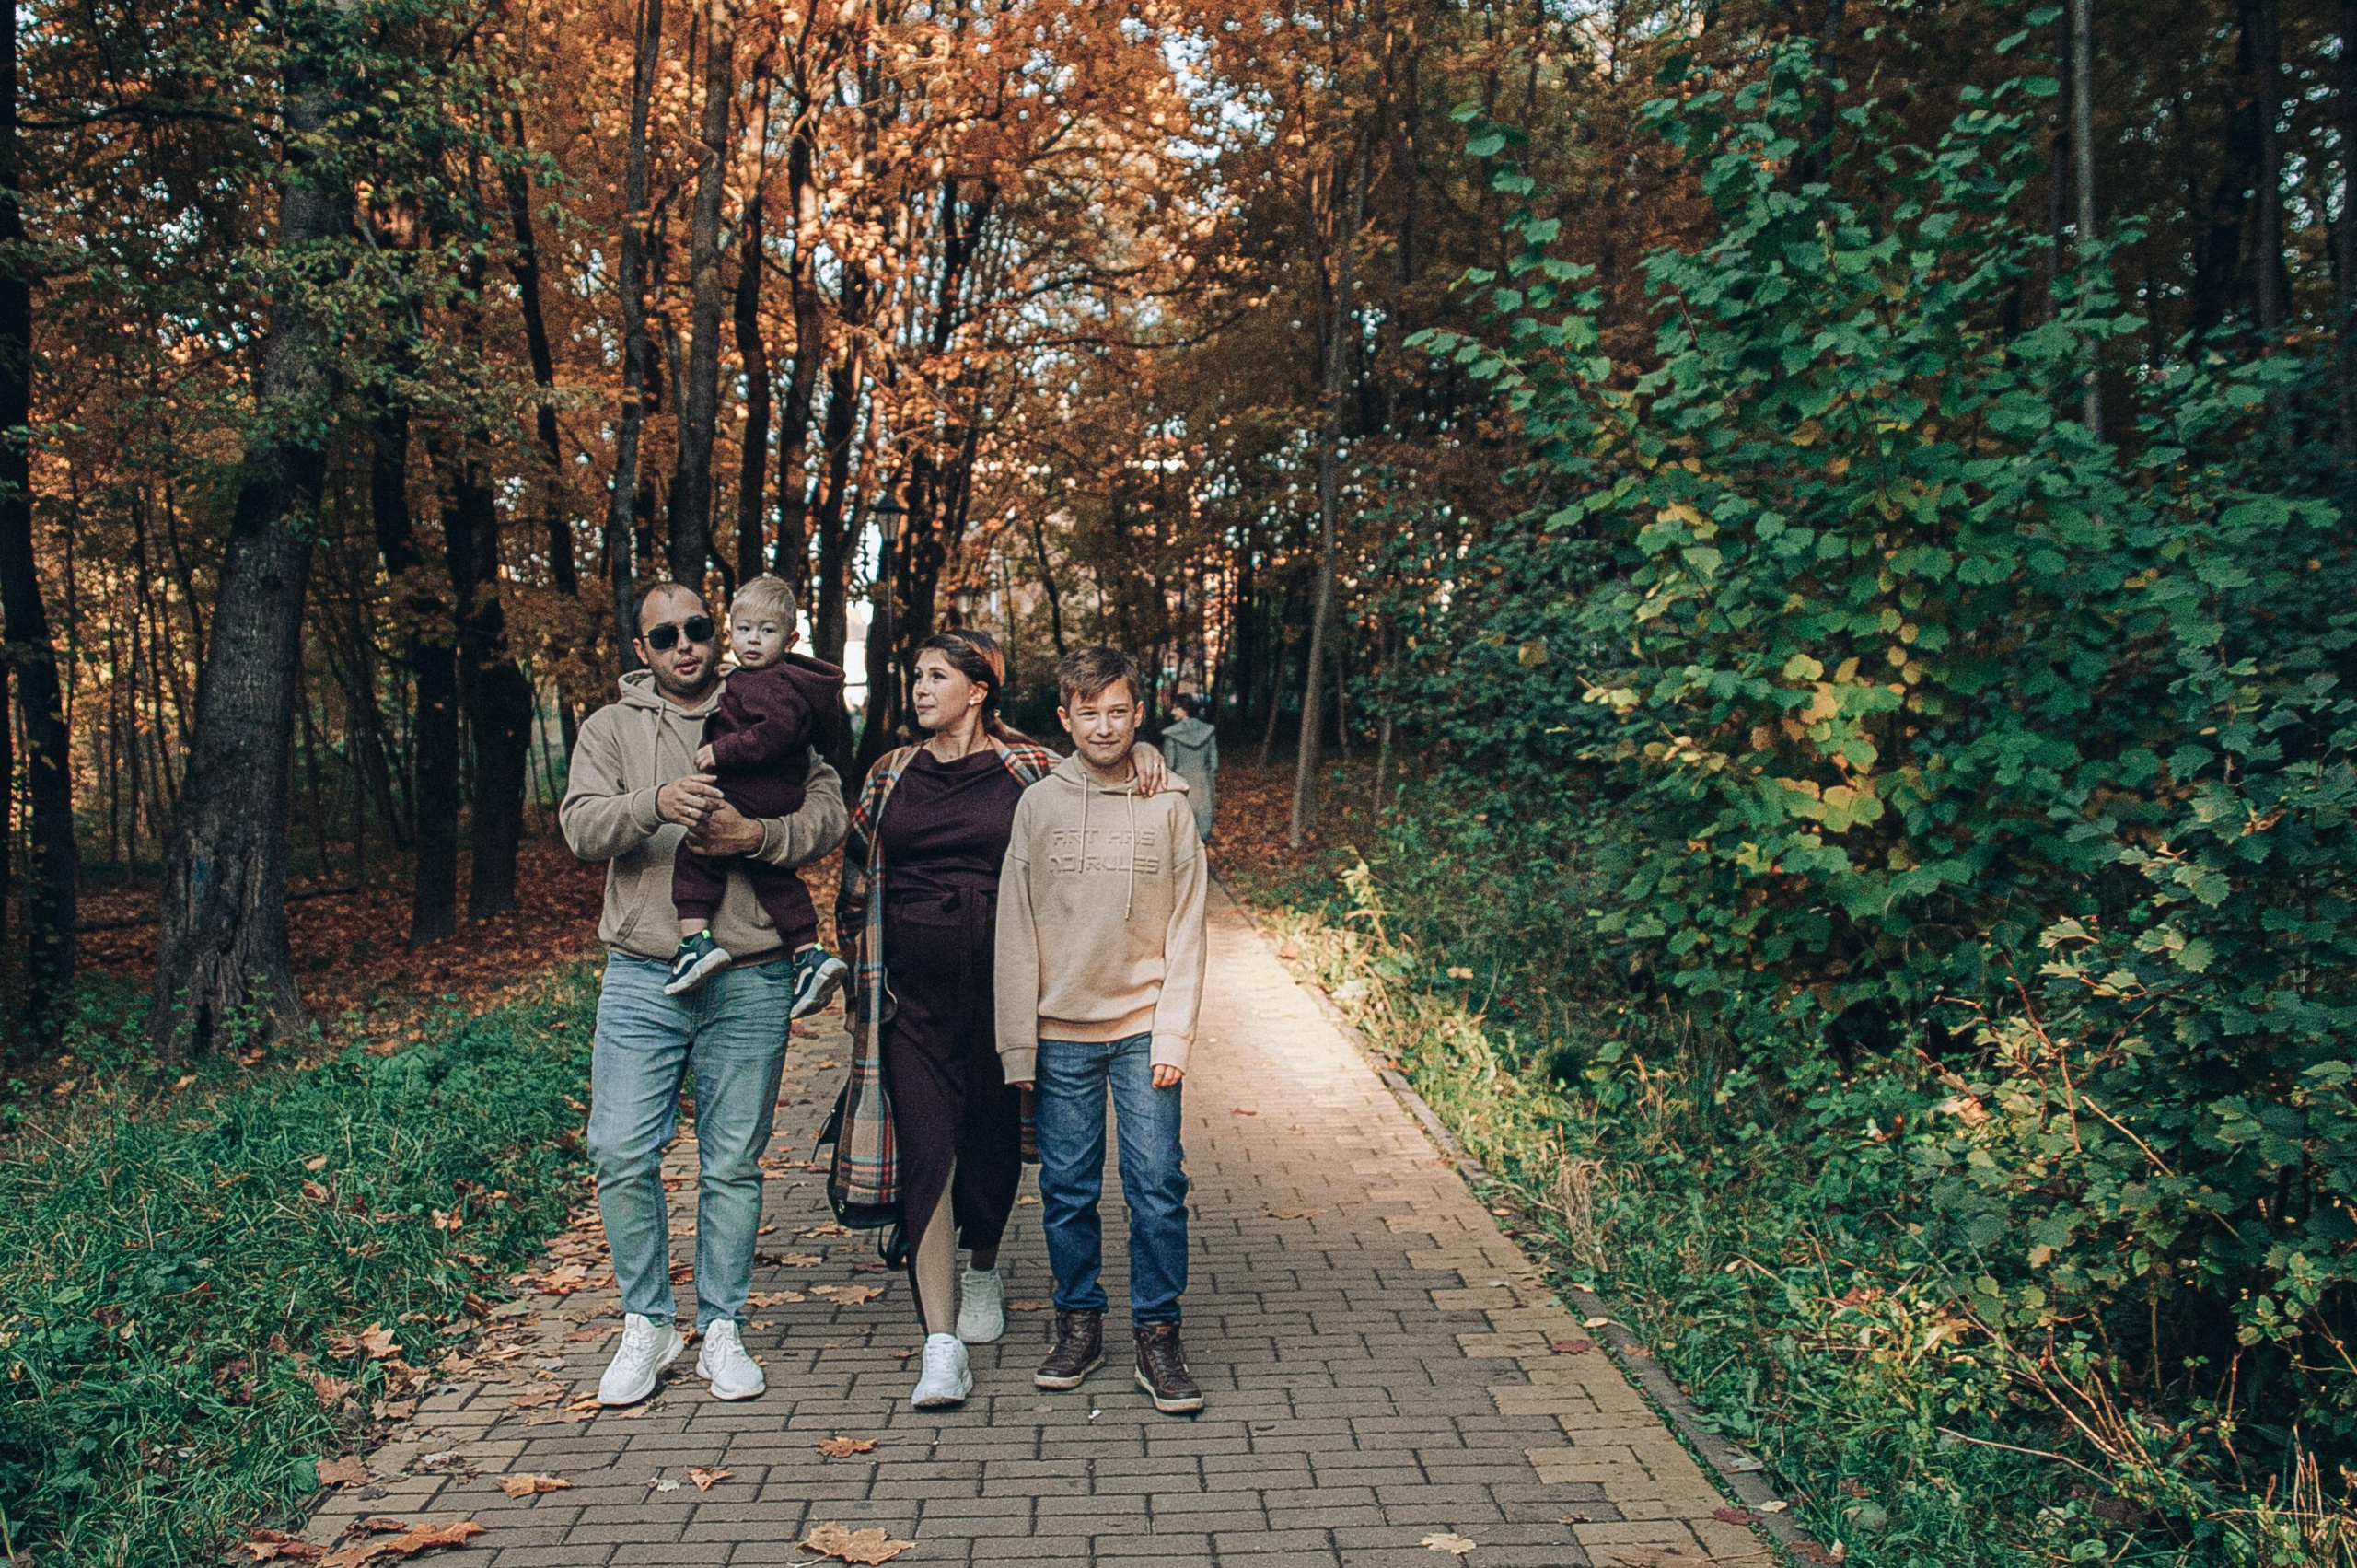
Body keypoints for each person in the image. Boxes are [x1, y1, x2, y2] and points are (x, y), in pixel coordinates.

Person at [830, 631, 1172, 1410]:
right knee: (928, 1153)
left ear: (978, 690)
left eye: (936, 676)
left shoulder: (1028, 770)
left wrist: (1147, 754)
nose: (918, 688)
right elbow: (854, 882)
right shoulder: (890, 774)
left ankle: (983, 1264)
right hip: (908, 1002)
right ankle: (940, 1345)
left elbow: (1102, 781)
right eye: (915, 674)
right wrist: (860, 976)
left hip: (1005, 1000)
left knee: (988, 1146)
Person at [560, 581, 848, 1407]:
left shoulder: (766, 699)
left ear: (714, 634)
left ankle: (722, 1325)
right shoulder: (611, 727)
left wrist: (760, 836)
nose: (683, 645)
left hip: (753, 972)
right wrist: (653, 803)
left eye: (695, 629)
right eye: (663, 636)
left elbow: (829, 806)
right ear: (643, 650)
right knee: (619, 1149)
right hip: (645, 972)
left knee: (731, 1161)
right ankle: (647, 1324)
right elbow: (579, 827)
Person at [995, 645, 1210, 1415]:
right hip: (1059, 1033)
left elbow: (1189, 928)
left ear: (1138, 712)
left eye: (1118, 710)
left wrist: (1175, 1034)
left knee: (1157, 1185)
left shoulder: (1168, 804)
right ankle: (1078, 1321)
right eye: (1088, 712)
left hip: (1143, 1026)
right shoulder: (1039, 805)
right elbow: (1014, 928)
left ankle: (1159, 1332)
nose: (1105, 725)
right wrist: (1018, 1039)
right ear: (1065, 718)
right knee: (1067, 1189)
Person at [664, 574, 849, 1020]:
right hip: (776, 792)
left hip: (754, 788)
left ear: (789, 639)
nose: (753, 640)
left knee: (695, 852)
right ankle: (809, 953)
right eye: (745, 630)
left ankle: (693, 944)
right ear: (731, 631)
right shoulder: (767, 679)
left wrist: (719, 751)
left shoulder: (771, 683)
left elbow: (773, 732)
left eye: (766, 632)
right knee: (771, 875)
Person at [1159, 691, 1218, 843]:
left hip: (1182, 785)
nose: (1172, 712)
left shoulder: (1172, 735)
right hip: (1203, 783)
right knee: (1203, 825)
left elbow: (1169, 766)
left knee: (1183, 827)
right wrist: (1209, 779)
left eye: (1175, 708)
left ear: (1184, 709)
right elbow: (1214, 762)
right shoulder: (1207, 731)